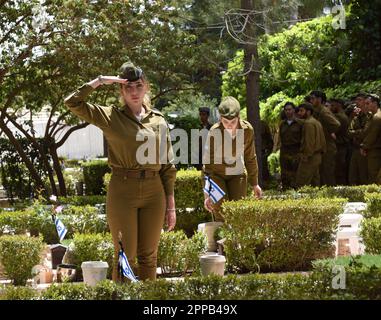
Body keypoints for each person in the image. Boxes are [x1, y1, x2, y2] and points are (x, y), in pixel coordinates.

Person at [64, 62, 177, 281]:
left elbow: (167, 166)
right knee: (126, 256)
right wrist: (100, 81)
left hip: (155, 192)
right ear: (121, 91)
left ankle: (148, 302)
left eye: (138, 86)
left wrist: (170, 205)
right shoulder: (110, 116)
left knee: (149, 257)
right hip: (123, 190)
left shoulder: (158, 119)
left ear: (146, 87)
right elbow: (72, 102)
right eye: (128, 87)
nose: (134, 92)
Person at [203, 96, 262, 222]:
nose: (229, 126)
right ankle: (221, 241)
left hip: (237, 173)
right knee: (220, 210)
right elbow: (207, 165)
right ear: (220, 119)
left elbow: (250, 157)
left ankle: (235, 241)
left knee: (237, 212)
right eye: (225, 122)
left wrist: (255, 183)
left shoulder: (247, 130)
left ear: (239, 117)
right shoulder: (214, 132)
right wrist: (207, 193)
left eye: (233, 122)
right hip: (217, 175)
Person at [309, 91, 340, 186]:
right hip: (322, 146)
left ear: (319, 99)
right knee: (321, 173)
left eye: (313, 98)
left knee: (327, 173)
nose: (311, 100)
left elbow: (336, 124)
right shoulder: (316, 111)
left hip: (328, 146)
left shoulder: (323, 111)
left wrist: (327, 133)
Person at [295, 103, 326, 188]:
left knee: (301, 183)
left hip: (310, 157)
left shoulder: (308, 123)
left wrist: (306, 156)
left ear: (308, 112)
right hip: (317, 155)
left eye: (302, 111)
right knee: (315, 183)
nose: (299, 113)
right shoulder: (316, 122)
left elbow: (309, 142)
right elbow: (323, 140)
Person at [348, 93, 372, 185]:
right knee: (352, 175)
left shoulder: (370, 116)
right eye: (356, 100)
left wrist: (356, 132)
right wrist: (359, 132)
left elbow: (367, 132)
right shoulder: (356, 116)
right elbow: (349, 132)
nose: (356, 102)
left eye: (359, 100)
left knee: (364, 176)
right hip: (355, 148)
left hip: (365, 149)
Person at [279, 102, 303, 189]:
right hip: (285, 150)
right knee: (285, 173)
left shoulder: (300, 123)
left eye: (289, 109)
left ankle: (296, 190)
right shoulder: (282, 124)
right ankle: (285, 189)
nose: (288, 112)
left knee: (296, 172)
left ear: (293, 110)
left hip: (296, 150)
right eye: (286, 110)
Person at [327, 99, 350, 185]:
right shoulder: (342, 115)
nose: (331, 108)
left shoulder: (339, 117)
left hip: (340, 146)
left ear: (338, 105)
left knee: (339, 170)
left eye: (333, 106)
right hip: (341, 146)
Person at [360, 94, 381, 184]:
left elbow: (372, 135)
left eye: (368, 103)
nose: (366, 106)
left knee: (373, 174)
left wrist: (364, 146)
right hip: (375, 148)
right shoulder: (372, 116)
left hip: (375, 149)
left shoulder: (377, 117)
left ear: (375, 103)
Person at [261, 120, 274, 186]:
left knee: (264, 168)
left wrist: (269, 150)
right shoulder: (248, 123)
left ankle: (266, 184)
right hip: (251, 151)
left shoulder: (263, 124)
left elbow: (269, 138)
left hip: (262, 151)